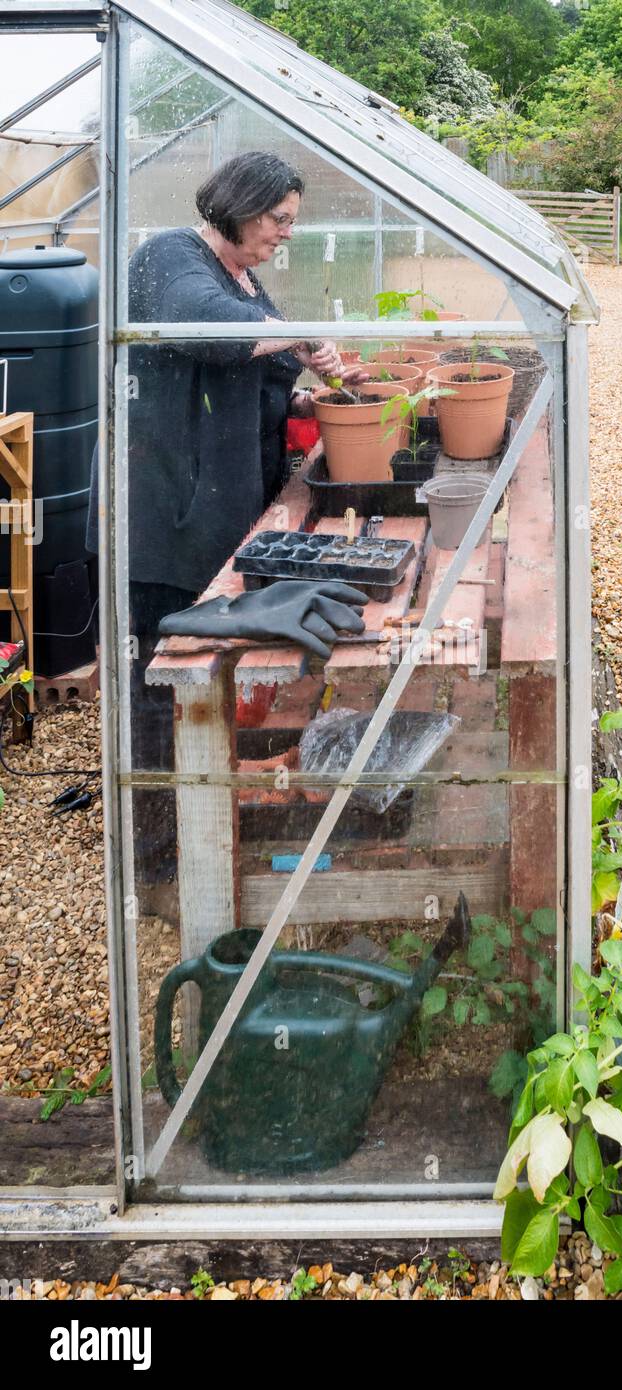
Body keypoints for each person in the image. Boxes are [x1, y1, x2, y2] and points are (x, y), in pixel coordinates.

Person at [86, 150, 367, 891]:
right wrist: (299, 334)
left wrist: (308, 400)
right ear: (239, 207)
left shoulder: (245, 279)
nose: (286, 234)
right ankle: (155, 858)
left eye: (291, 222)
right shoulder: (169, 259)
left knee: (199, 680)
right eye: (279, 219)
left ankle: (208, 815)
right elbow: (207, 329)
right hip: (160, 519)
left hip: (216, 516)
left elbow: (249, 379)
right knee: (157, 687)